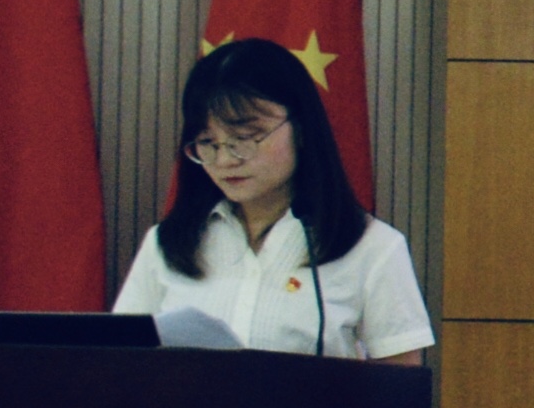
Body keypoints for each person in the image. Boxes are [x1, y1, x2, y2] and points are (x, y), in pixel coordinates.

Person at [112, 36, 432, 360]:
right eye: (208, 143)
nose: (225, 160)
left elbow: (400, 382)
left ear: (301, 129)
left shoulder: (372, 248)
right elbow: (119, 364)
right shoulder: (166, 244)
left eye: (245, 138)